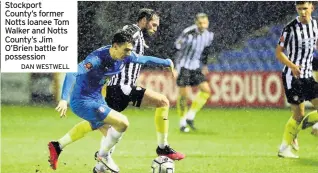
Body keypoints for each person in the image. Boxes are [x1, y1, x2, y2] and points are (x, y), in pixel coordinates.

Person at [48, 29, 179, 173]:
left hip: (97, 99)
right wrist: (63, 99)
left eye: (130, 50)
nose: (128, 53)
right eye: (126, 50)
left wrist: (166, 62)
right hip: (82, 101)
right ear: (115, 46)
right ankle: (102, 156)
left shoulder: (125, 57)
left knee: (110, 135)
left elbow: (143, 59)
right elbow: (72, 72)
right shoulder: (96, 59)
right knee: (122, 123)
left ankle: (60, 146)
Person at [276, 1, 318, 159]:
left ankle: (300, 128)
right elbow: (279, 52)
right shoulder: (290, 28)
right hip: (292, 76)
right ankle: (284, 148)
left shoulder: (315, 25)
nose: (302, 12)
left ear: (312, 8)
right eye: (299, 9)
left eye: (305, 8)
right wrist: (292, 65)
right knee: (298, 114)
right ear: (296, 9)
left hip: (308, 75)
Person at [173, 13, 214, 132]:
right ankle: (182, 123)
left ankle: (190, 116)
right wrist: (175, 67)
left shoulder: (209, 35)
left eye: (205, 23)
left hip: (195, 66)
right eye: (200, 23)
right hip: (183, 66)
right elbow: (177, 48)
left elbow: (206, 50)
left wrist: (204, 65)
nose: (203, 25)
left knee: (206, 91)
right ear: (196, 23)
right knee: (183, 96)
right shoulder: (188, 32)